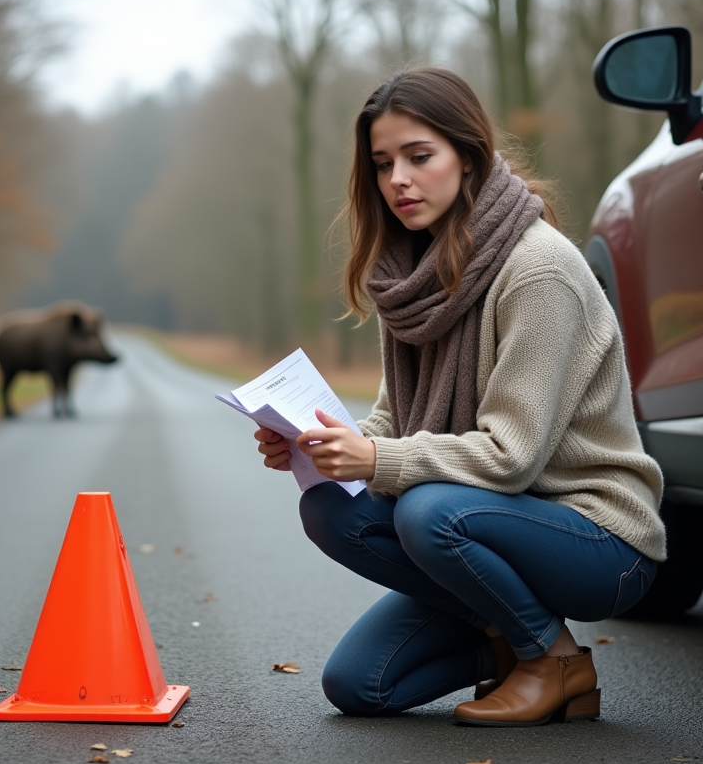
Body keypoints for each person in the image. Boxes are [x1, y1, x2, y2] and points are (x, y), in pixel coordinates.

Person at [253, 68, 665, 727]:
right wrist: (319, 445)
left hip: (598, 540)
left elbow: (512, 457)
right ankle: (508, 631)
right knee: (357, 670)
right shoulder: (413, 276)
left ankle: (553, 659)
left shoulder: (540, 272)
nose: (398, 180)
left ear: (468, 158)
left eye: (419, 157)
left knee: (427, 510)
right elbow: (392, 423)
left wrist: (376, 459)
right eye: (383, 164)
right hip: (488, 526)